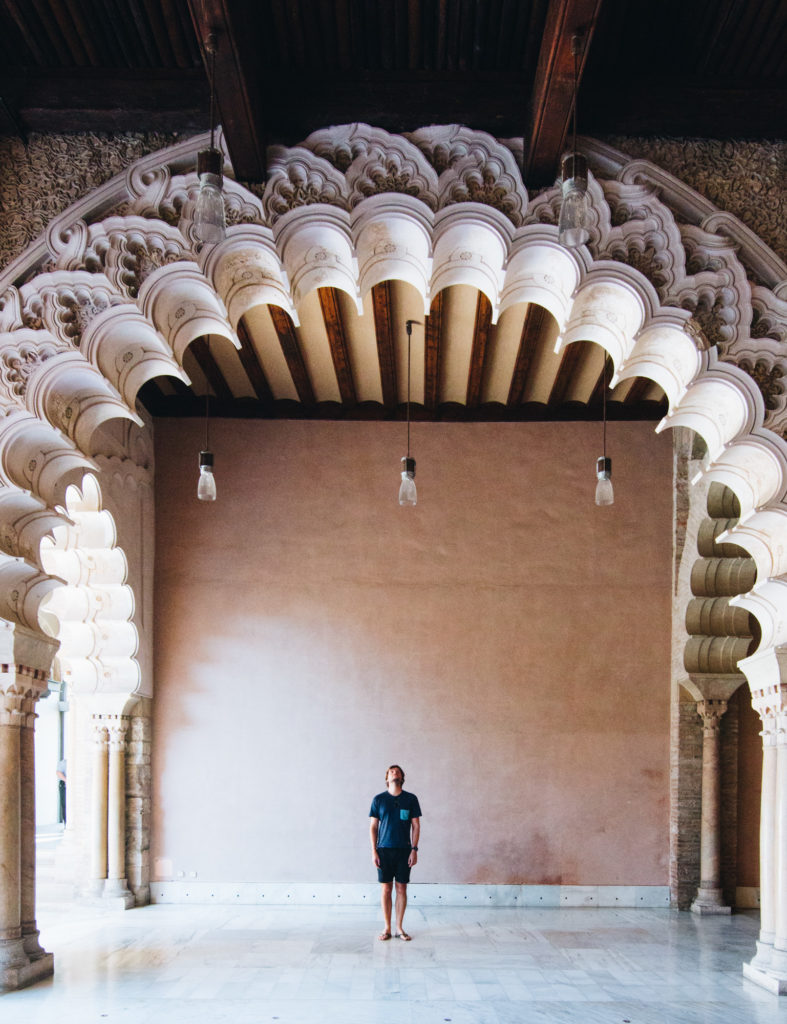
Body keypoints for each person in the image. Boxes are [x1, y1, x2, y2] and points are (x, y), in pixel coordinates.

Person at [369, 764, 421, 941]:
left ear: (402, 777)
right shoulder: (378, 800)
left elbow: (416, 825)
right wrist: (374, 851)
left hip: (404, 850)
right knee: (386, 888)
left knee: (401, 887)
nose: (394, 773)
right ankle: (387, 928)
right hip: (383, 850)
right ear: (386, 778)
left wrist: (414, 850)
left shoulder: (411, 799)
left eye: (397, 772)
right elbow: (373, 826)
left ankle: (399, 928)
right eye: (391, 772)